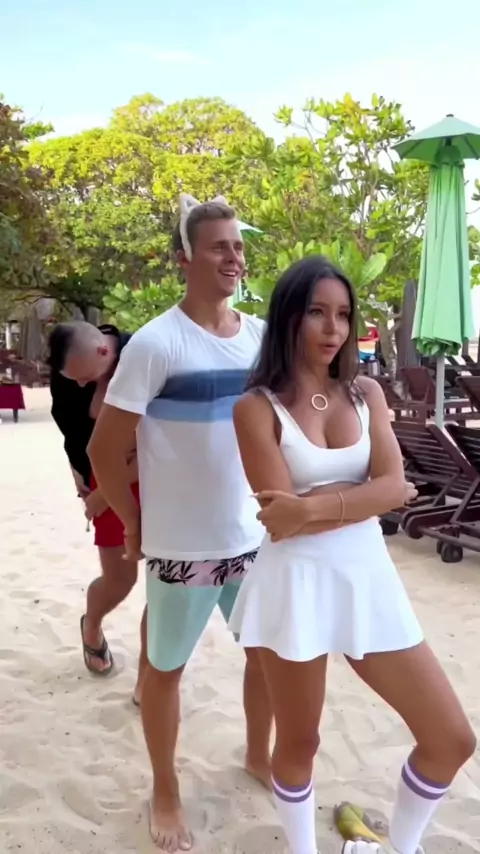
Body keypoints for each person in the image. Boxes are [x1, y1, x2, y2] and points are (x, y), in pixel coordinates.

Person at [228, 256, 476, 854]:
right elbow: (280, 520)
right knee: (300, 743)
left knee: (450, 738)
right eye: (317, 312)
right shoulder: (255, 408)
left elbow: (395, 488)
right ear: (288, 317)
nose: (333, 328)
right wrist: (367, 497)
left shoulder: (366, 392)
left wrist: (315, 506)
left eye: (342, 314)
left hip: (368, 579)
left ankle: (405, 847)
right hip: (295, 585)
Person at [87, 194, 272, 851]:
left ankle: (258, 754)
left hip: (254, 539)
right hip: (183, 549)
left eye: (238, 246)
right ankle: (164, 789)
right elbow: (104, 449)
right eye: (219, 246)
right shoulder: (156, 344)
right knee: (164, 670)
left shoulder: (259, 338)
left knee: (268, 656)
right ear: (184, 259)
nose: (234, 257)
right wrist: (135, 524)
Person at [48, 322, 146, 700]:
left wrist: (105, 493)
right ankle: (91, 624)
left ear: (104, 352)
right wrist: (82, 478)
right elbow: (72, 433)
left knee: (166, 583)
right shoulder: (70, 372)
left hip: (156, 476)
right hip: (103, 476)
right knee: (121, 580)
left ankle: (150, 680)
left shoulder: (143, 356)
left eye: (85, 378)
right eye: (72, 379)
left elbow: (159, 443)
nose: (79, 384)